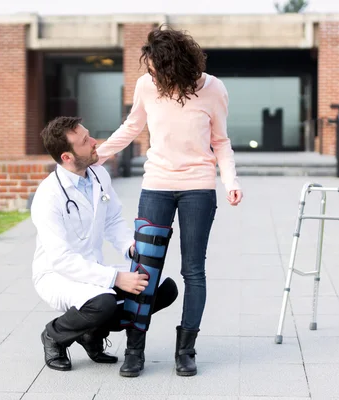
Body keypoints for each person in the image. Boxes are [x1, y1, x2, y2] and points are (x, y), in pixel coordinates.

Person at [94, 26, 243, 377]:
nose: (152, 73)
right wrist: (97, 156)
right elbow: (132, 127)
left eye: (158, 67)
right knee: (144, 270)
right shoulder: (147, 85)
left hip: (198, 188)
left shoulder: (213, 88)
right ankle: (134, 349)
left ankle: (186, 350)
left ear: (176, 65)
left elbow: (220, 141)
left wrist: (230, 181)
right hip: (157, 185)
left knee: (193, 270)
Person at [30, 116, 178, 377]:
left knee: (164, 288)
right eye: (85, 141)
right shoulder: (48, 196)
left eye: (88, 135)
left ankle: (91, 333)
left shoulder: (98, 174)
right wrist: (117, 278)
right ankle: (54, 334)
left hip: (94, 270)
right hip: (57, 275)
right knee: (105, 304)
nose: (94, 142)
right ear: (66, 156)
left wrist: (132, 248)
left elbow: (113, 221)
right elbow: (61, 260)